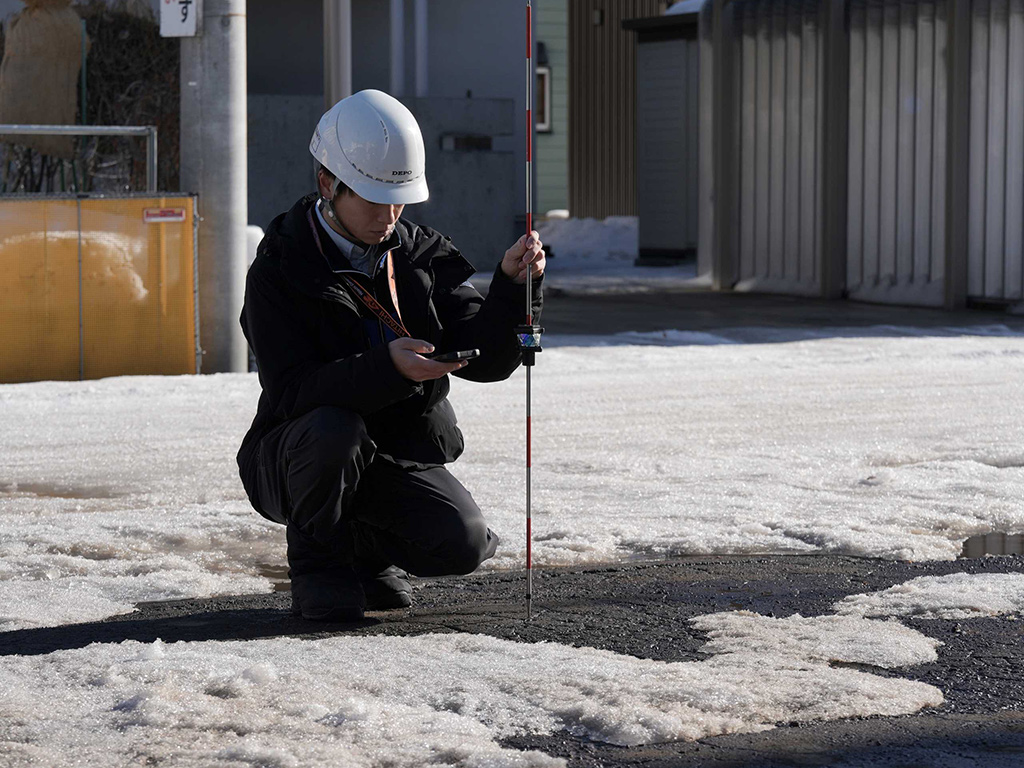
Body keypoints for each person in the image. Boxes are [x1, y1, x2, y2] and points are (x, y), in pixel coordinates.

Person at [237, 89, 544, 622]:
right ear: (327, 183)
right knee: (333, 430)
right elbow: (290, 390)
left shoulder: (420, 252)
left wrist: (513, 289)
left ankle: (366, 556)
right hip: (294, 457)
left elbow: (490, 361)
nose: (389, 215)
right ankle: (320, 568)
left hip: (389, 456)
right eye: (374, 199)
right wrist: (388, 370)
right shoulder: (280, 268)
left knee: (463, 544)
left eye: (399, 200)